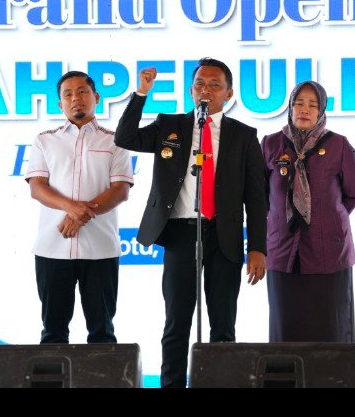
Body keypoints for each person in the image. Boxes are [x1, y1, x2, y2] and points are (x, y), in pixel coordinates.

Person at [114, 57, 267, 388]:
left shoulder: (244, 135)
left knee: (223, 324)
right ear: (190, 90)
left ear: (229, 93)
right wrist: (141, 94)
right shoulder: (170, 125)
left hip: (224, 236)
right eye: (200, 84)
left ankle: (220, 384)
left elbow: (256, 198)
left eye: (214, 85)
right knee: (177, 321)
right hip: (181, 233)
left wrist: (257, 247)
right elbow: (125, 138)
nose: (206, 90)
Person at [25, 71, 133, 345]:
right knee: (53, 332)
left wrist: (81, 216)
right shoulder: (44, 140)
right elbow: (37, 187)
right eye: (68, 94)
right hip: (53, 247)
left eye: (82, 91)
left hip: (100, 248)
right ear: (60, 104)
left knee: (102, 332)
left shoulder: (115, 140)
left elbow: (120, 190)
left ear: (96, 97)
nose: (76, 98)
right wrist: (71, 208)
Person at [261, 81, 355, 343]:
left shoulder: (338, 145)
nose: (304, 110)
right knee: (286, 328)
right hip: (282, 250)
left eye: (312, 105)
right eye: (299, 103)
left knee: (330, 328)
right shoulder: (272, 144)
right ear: (290, 107)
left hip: (329, 251)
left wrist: (327, 218)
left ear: (321, 110)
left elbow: (354, 194)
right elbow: (261, 196)